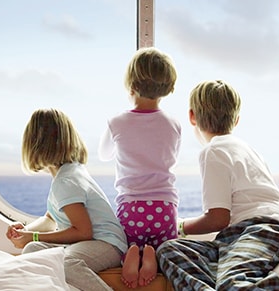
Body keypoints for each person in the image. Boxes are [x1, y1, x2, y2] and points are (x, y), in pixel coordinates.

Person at [156, 80, 279, 290]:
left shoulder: (213, 151)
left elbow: (218, 219)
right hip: (234, 238)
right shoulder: (249, 150)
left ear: (192, 116)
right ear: (236, 120)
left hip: (265, 230)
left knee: (233, 283)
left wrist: (179, 226)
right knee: (170, 250)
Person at [6, 108, 128, 291]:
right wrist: (25, 231)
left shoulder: (66, 182)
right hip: (87, 242)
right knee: (32, 250)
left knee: (67, 262)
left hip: (107, 244)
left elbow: (83, 231)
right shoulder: (66, 175)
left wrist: (34, 236)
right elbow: (50, 219)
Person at [98, 47, 181, 288]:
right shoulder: (173, 124)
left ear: (131, 84)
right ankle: (153, 255)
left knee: (126, 242)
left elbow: (103, 155)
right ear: (168, 87)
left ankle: (132, 252)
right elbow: (170, 156)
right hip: (164, 207)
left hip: (131, 207)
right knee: (165, 246)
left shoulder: (117, 122)